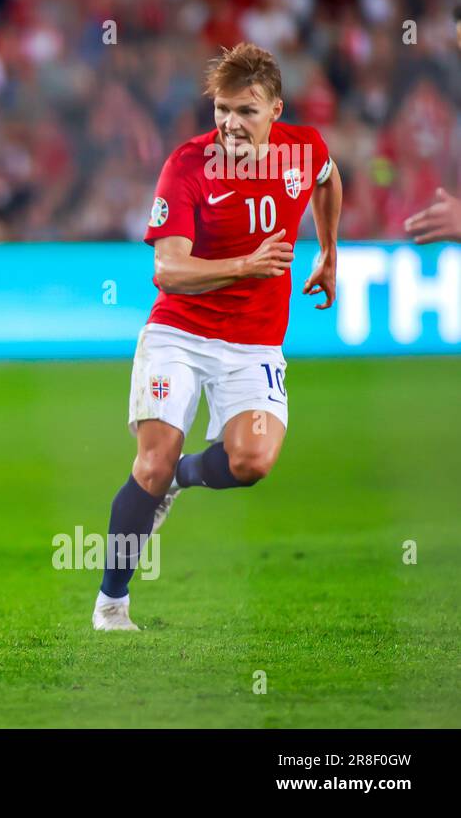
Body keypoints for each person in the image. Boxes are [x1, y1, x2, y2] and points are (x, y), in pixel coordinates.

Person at [94, 42, 342, 631]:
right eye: (222, 109)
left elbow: (330, 182)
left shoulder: (304, 150)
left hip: (254, 342)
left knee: (252, 461)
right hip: (179, 332)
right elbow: (168, 271)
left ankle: (184, 477)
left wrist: (329, 253)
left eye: (246, 112)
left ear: (275, 111)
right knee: (150, 465)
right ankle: (112, 602)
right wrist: (245, 266)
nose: (231, 123)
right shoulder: (187, 166)